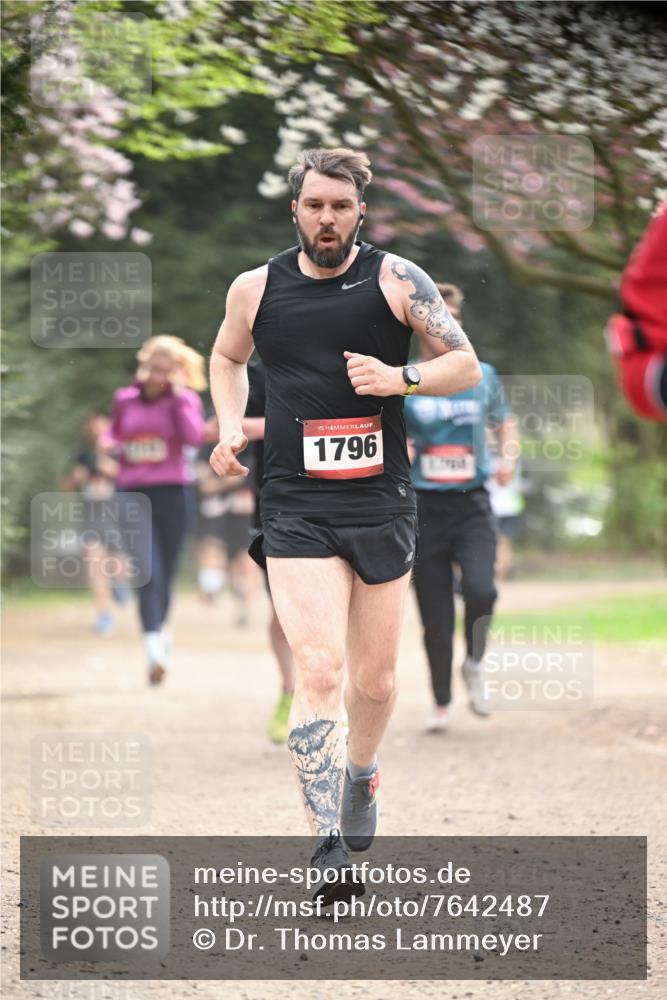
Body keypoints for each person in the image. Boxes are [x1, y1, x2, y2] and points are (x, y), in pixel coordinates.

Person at [209, 147, 481, 902]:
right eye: (313, 204)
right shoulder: (255, 287)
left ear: (360, 211)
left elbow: (464, 364)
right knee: (320, 669)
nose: (325, 217)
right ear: (293, 209)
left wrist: (401, 379)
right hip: (294, 501)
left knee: (376, 679)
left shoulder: (397, 280)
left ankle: (361, 772)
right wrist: (229, 425)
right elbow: (226, 358)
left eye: (339, 206)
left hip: (380, 500)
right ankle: (325, 842)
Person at [405, 283, 518, 732]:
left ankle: (474, 662)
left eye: (452, 316)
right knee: (434, 613)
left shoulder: (481, 374)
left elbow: (505, 422)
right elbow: (381, 425)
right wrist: (403, 449)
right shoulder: (404, 376)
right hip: (422, 506)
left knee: (482, 590)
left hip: (472, 501)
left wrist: (507, 457)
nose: (444, 325)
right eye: (436, 316)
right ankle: (442, 701)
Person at [106, 335, 205, 684]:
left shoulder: (185, 400)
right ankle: (153, 649)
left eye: (165, 370)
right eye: (153, 368)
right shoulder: (125, 398)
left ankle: (160, 630)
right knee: (148, 569)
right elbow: (114, 433)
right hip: (131, 493)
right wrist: (111, 444)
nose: (157, 376)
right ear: (144, 365)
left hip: (173, 493)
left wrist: (178, 400)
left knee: (168, 570)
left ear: (176, 372)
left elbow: (194, 438)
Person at [61, 411, 128, 635]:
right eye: (94, 427)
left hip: (118, 515)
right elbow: (66, 486)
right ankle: (104, 615)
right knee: (93, 563)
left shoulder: (122, 452)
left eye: (102, 426)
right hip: (91, 516)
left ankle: (120, 584)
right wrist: (75, 478)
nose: (98, 430)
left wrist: (104, 459)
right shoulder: (82, 455)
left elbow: (126, 476)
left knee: (117, 562)